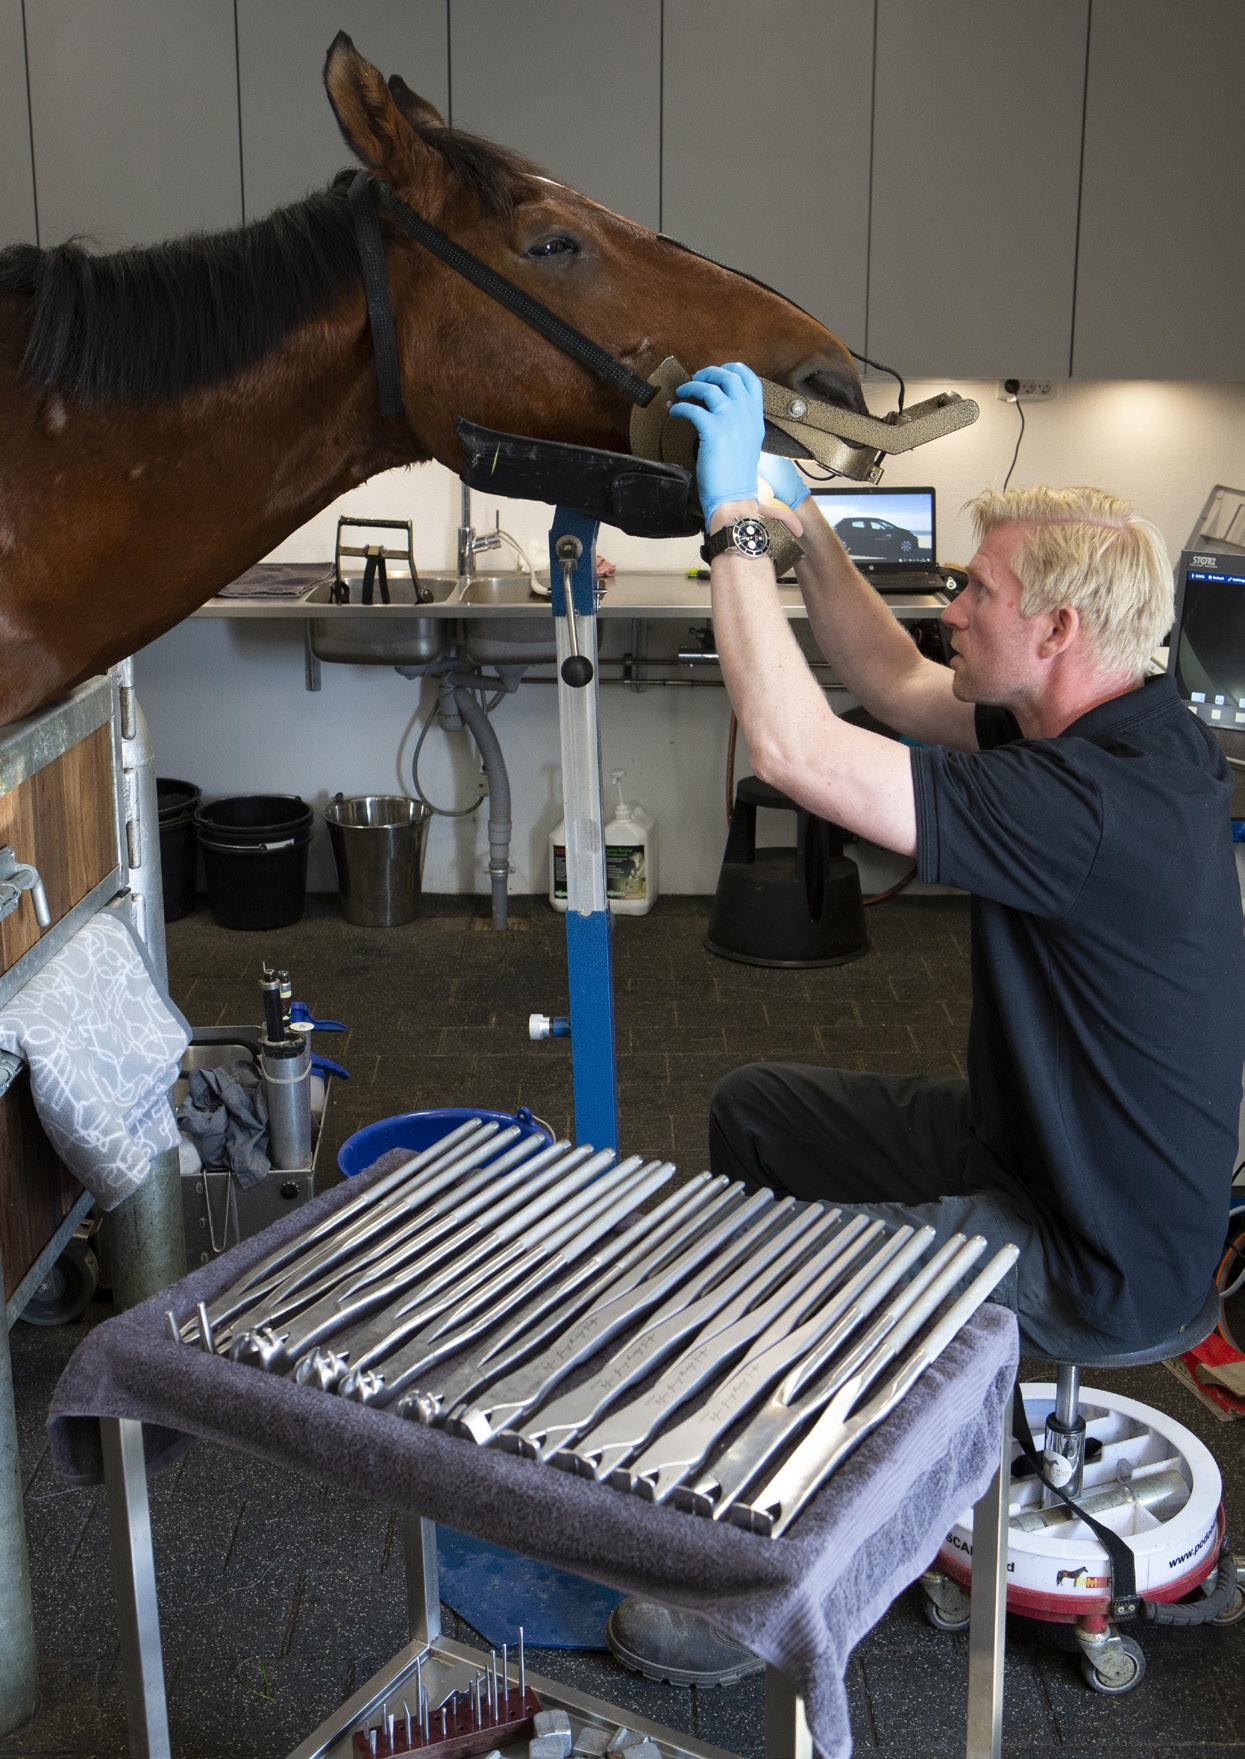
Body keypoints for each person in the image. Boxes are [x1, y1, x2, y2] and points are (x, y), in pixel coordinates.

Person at [605, 361, 1245, 1689]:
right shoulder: (1121, 732)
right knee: (753, 1113)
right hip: (1033, 1152)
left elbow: (793, 750)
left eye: (977, 593)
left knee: (790, 1282)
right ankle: (841, 1415)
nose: (949, 608)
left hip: (1098, 1255)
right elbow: (894, 683)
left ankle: (763, 1586)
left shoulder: (1085, 809)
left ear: (1057, 628)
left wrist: (731, 526)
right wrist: (803, 524)